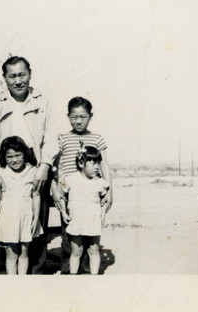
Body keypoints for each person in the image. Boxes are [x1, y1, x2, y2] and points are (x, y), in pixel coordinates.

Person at [0, 56, 58, 273]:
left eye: (21, 74)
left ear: (30, 74)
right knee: (3, 221)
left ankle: (34, 274)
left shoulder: (42, 101)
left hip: (35, 166)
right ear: (4, 78)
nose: (17, 80)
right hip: (4, 168)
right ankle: (2, 273)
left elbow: (51, 137)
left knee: (35, 221)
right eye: (12, 76)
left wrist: (44, 166)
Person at [51, 96, 113, 273]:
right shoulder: (62, 138)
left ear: (90, 116)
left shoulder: (97, 138)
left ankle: (87, 273)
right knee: (70, 236)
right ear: (68, 116)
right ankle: (69, 272)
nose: (78, 121)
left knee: (91, 236)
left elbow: (105, 165)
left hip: (92, 192)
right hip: (71, 193)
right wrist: (56, 191)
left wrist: (109, 192)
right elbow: (56, 167)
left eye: (83, 117)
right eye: (74, 117)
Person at [55, 145, 109, 274]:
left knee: (93, 250)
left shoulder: (100, 182)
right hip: (76, 220)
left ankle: (94, 277)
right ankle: (74, 277)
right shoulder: (69, 179)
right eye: (93, 163)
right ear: (81, 163)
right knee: (76, 251)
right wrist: (63, 211)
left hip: (93, 220)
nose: (97, 166)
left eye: (98, 163)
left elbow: (105, 200)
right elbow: (61, 195)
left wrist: (102, 214)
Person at [0, 136, 42, 274]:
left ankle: (22, 282)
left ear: (25, 154)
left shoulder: (32, 171)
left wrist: (36, 219)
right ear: (4, 157)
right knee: (11, 254)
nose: (14, 160)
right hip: (8, 218)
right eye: (10, 157)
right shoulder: (1, 173)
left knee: (24, 253)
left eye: (18, 155)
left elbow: (36, 195)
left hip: (26, 217)